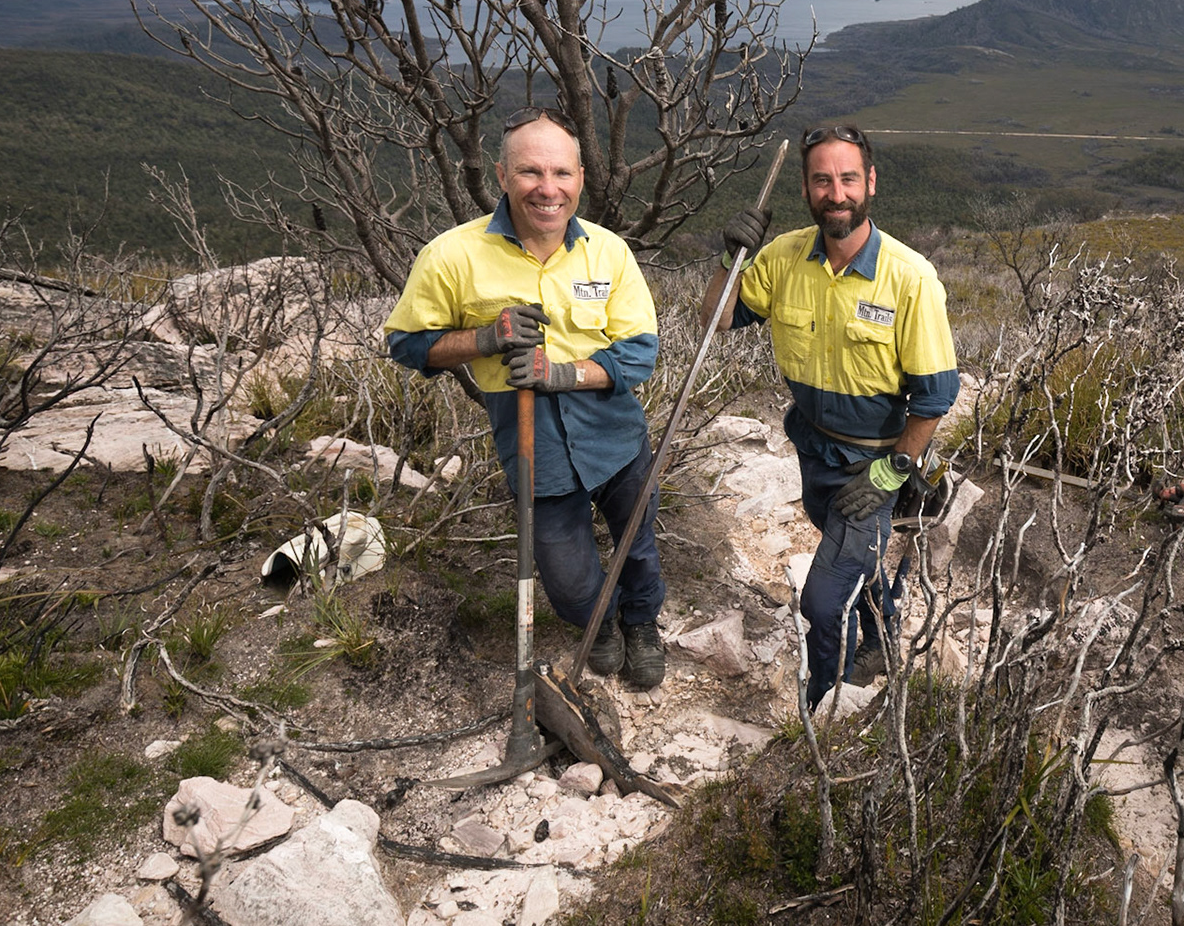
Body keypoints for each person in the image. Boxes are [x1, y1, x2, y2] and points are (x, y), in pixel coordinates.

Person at [383, 107, 667, 688]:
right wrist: (486, 338)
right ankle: (601, 623)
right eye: (531, 172)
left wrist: (560, 374)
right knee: (566, 576)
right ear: (502, 175)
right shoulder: (452, 256)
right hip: (530, 439)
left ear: (580, 178)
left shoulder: (608, 252)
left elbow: (639, 353)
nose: (548, 188)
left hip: (614, 433)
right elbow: (407, 345)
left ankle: (642, 624)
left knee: (636, 546)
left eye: (561, 173)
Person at [702, 123, 958, 706]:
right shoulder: (784, 257)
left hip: (873, 465)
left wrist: (893, 473)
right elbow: (717, 317)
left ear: (870, 182)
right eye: (822, 180)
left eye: (848, 178)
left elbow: (937, 396)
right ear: (806, 188)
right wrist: (728, 256)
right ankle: (883, 634)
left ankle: (822, 704)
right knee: (855, 563)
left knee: (821, 601)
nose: (835, 193)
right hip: (813, 449)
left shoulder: (909, 278)